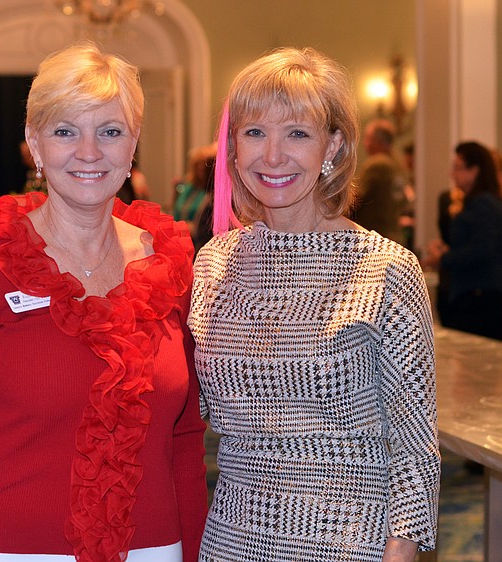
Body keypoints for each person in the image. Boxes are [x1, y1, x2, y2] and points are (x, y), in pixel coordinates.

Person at [0, 41, 208, 562]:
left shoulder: (170, 264)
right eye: (64, 131)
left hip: (155, 548)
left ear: (134, 143)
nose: (89, 151)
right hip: (14, 551)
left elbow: (186, 439)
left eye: (110, 131)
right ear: (34, 143)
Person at [188, 47, 439, 561]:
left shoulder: (386, 269)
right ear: (232, 146)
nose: (272, 156)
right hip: (231, 542)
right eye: (254, 132)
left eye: (297, 133)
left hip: (350, 545)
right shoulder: (213, 264)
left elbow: (414, 449)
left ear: (335, 146)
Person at [424, 141, 502, 340]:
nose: (452, 174)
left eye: (458, 168)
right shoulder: (475, 202)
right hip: (473, 292)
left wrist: (444, 257)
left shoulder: (484, 203)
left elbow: (483, 249)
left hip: (480, 296)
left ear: (475, 171)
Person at [352, 118, 408, 245]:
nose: (365, 143)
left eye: (367, 138)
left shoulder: (377, 164)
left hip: (377, 237)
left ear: (377, 141)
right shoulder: (397, 163)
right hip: (394, 234)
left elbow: (355, 198)